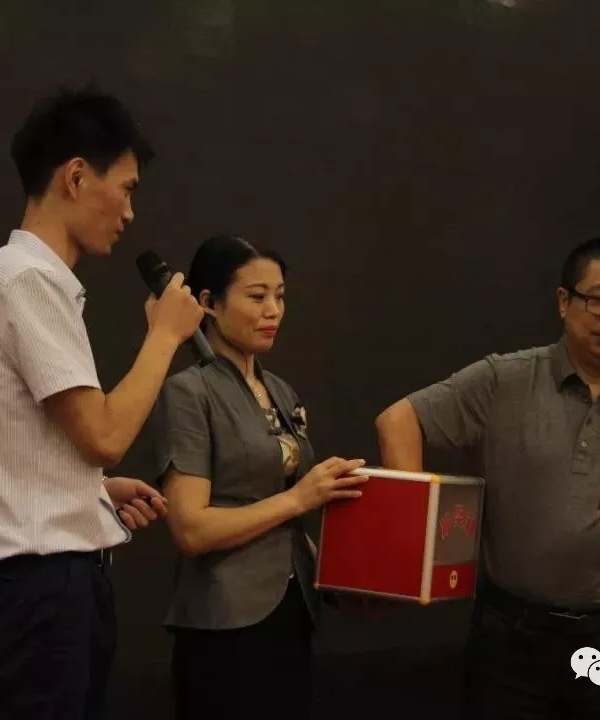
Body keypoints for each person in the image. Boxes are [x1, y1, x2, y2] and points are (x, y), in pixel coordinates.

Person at [0, 85, 204, 720]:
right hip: (42, 595)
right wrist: (165, 336)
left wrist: (89, 490)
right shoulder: (27, 281)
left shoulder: (20, 280)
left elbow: (32, 442)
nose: (130, 212)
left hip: (45, 591)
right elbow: (104, 436)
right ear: (77, 176)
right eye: (127, 188)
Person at [374, 237, 600, 720]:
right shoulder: (504, 379)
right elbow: (399, 420)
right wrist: (415, 528)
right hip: (512, 634)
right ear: (564, 301)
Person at [148, 234, 367, 720]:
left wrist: (342, 571)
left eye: (280, 296)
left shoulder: (281, 390)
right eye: (256, 296)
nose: (273, 311)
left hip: (293, 609)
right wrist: (300, 499)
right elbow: (190, 529)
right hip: (225, 622)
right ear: (209, 303)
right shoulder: (188, 392)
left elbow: (289, 511)